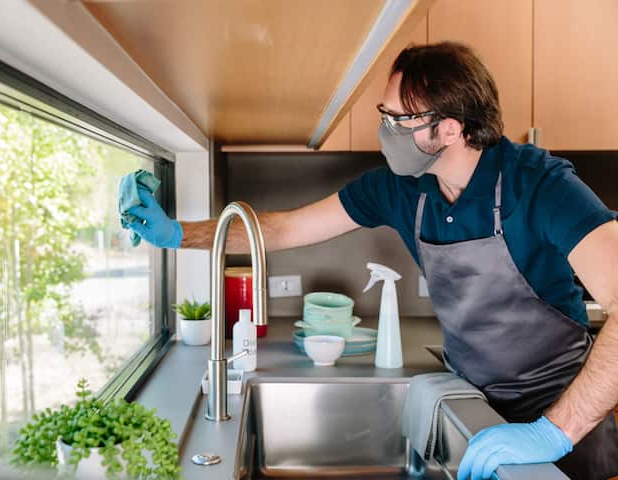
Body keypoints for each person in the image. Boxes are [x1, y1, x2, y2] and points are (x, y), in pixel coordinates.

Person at [124, 42, 618, 479]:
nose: (385, 130)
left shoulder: (540, 183)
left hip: (566, 424)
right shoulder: (400, 188)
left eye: (397, 120)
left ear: (447, 129)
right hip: (472, 410)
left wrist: (553, 431)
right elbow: (284, 228)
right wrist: (176, 234)